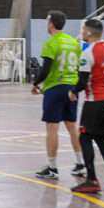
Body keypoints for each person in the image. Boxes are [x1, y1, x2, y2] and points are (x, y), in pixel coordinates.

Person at [69, 19, 104, 193]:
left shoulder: (88, 52)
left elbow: (83, 80)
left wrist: (73, 92)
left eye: (83, 29)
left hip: (96, 101)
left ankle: (91, 179)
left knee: (84, 136)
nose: (81, 32)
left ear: (89, 32)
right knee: (100, 137)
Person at [32, 11, 85, 180]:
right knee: (72, 127)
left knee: (52, 128)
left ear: (51, 24)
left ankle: (52, 168)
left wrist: (35, 83)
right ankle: (80, 163)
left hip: (55, 88)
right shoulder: (74, 43)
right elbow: (79, 66)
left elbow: (45, 69)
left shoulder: (51, 43)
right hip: (72, 88)